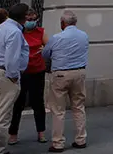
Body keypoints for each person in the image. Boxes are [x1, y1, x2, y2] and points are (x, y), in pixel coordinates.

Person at [0, 3, 30, 154]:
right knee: (2, 115)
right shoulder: (14, 32)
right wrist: (13, 76)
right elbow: (12, 58)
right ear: (24, 17)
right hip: (4, 74)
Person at [43, 10, 89, 152]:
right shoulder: (84, 36)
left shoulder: (56, 38)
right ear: (75, 22)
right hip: (79, 72)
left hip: (61, 74)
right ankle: (81, 139)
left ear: (62, 23)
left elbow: (45, 54)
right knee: (79, 107)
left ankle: (58, 143)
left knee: (58, 110)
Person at [8, 9, 48, 146]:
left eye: (34, 19)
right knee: (18, 103)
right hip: (22, 71)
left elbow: (48, 46)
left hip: (37, 70)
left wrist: (44, 51)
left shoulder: (40, 32)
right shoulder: (18, 32)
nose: (31, 22)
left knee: (38, 102)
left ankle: (41, 132)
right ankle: (13, 133)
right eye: (29, 19)